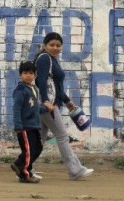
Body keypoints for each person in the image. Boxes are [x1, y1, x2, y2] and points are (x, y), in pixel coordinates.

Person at [35, 32, 94, 180]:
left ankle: (24, 166)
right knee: (62, 136)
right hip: (49, 106)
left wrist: (67, 101)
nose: (55, 48)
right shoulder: (44, 59)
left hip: (50, 104)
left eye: (58, 45)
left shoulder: (53, 60)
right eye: (51, 45)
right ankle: (75, 170)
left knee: (38, 140)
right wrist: (45, 101)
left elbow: (56, 86)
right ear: (45, 45)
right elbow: (41, 81)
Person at [11, 60, 44, 183]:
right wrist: (18, 125)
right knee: (29, 151)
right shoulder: (20, 90)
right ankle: (24, 174)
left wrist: (46, 108)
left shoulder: (34, 88)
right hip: (25, 127)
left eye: (31, 73)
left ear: (35, 75)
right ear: (20, 75)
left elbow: (34, 107)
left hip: (34, 126)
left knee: (38, 148)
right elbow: (16, 108)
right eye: (25, 73)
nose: (28, 75)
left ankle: (19, 164)